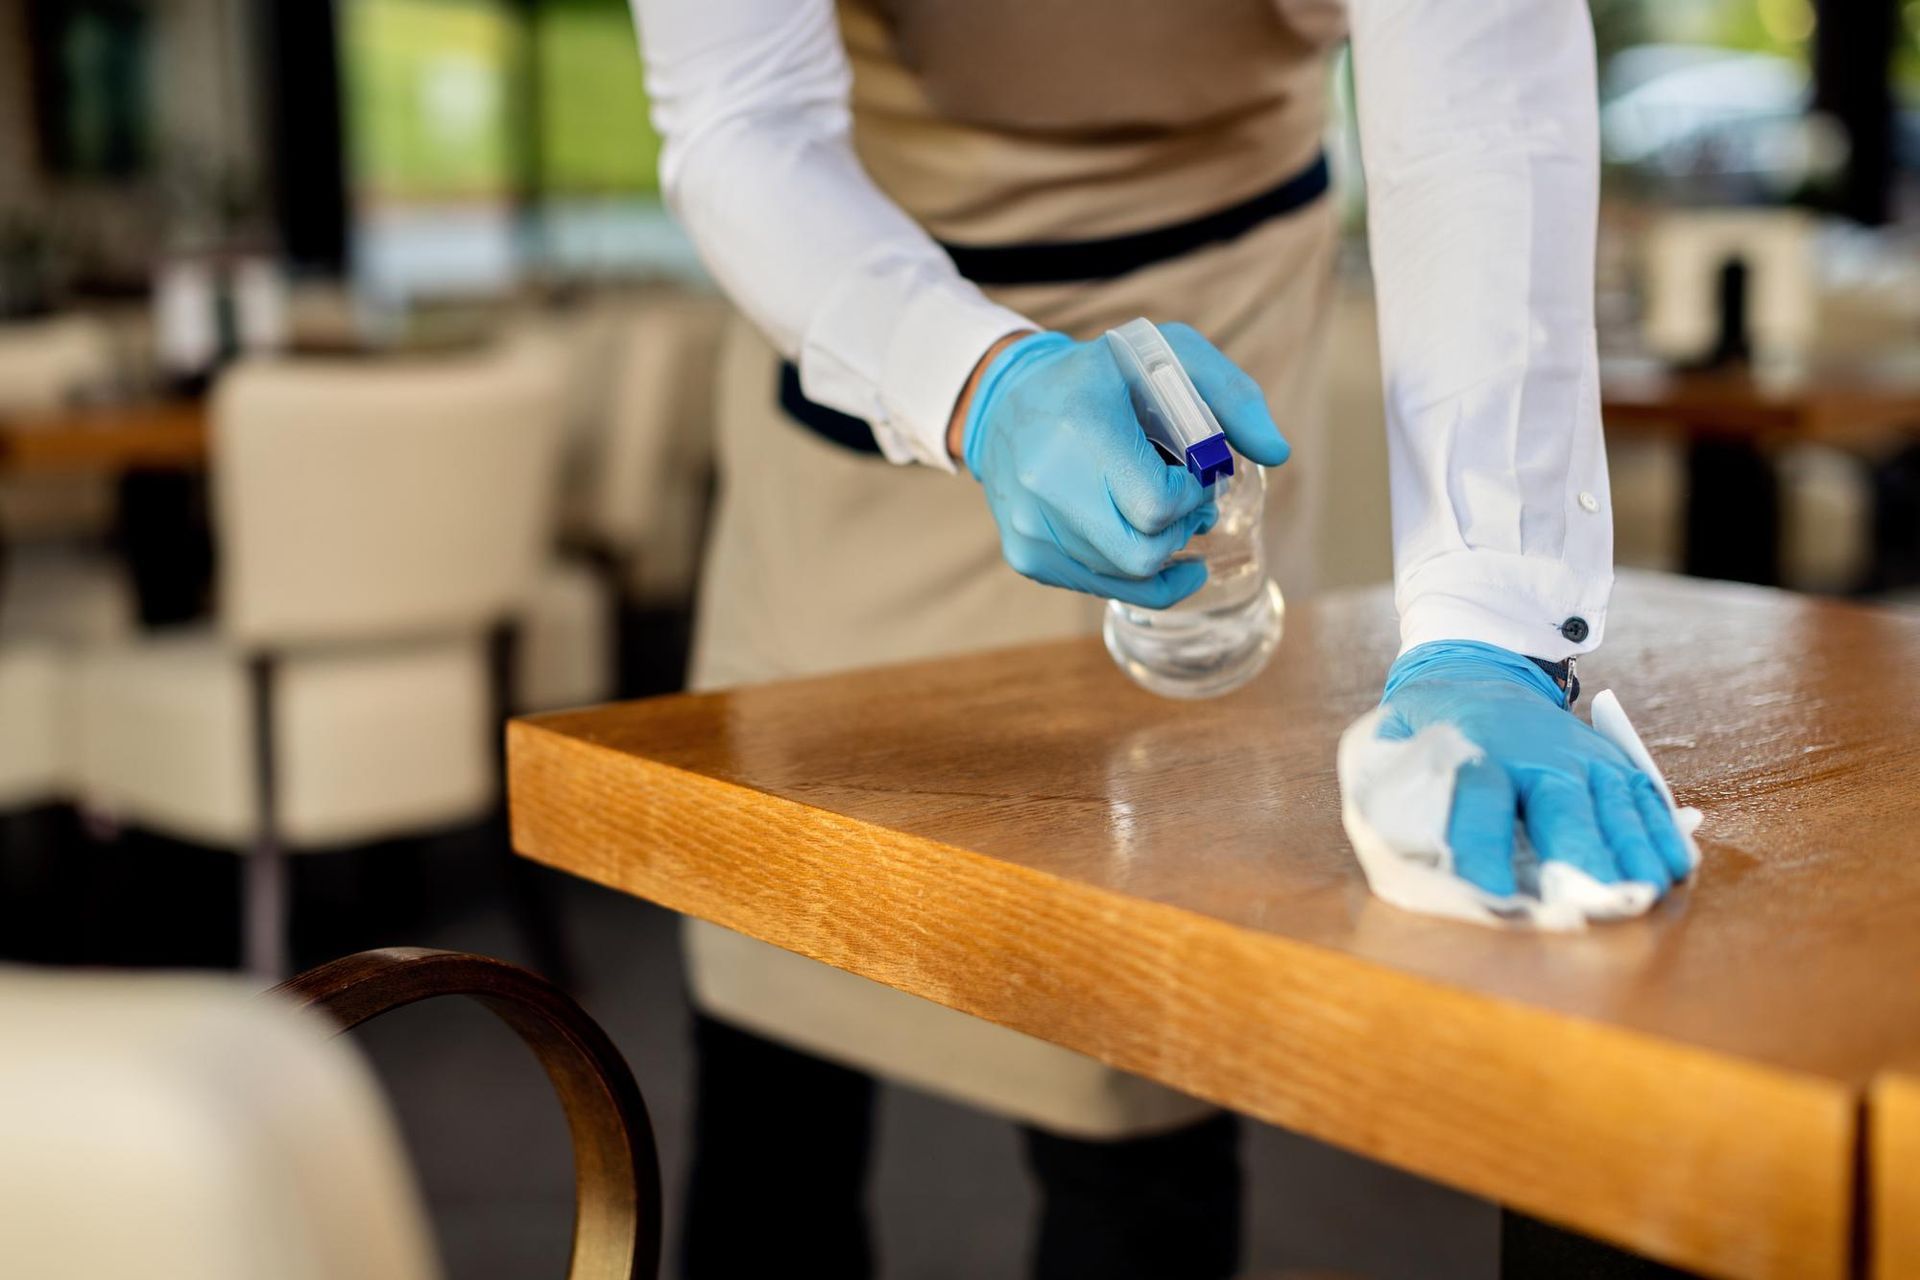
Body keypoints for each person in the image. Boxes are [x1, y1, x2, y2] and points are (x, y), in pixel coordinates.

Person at [630, 2, 1691, 1276]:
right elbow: (742, 118)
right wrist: (979, 383)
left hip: (1218, 300)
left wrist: (1494, 620)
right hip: (861, 299)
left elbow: (1483, 94)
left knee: (1144, 1043)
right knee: (778, 1018)